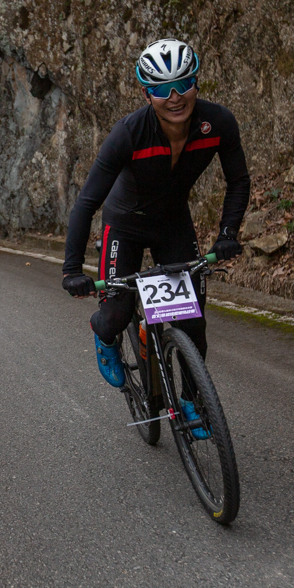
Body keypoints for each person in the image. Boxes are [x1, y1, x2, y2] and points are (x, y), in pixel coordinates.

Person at [61, 38, 250, 413]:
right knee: (116, 311)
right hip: (124, 225)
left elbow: (238, 181)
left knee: (193, 325)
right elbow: (86, 203)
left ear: (197, 82)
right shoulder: (128, 133)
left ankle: (191, 403)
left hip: (173, 224)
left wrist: (228, 233)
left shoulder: (218, 123)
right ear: (147, 94)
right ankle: (106, 336)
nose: (175, 96)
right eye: (162, 89)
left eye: (184, 83)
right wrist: (70, 270)